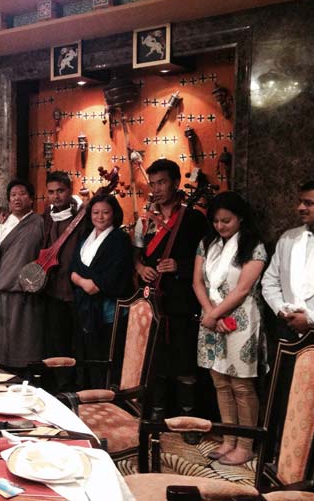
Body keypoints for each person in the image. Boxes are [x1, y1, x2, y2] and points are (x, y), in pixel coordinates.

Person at [193, 192, 267, 465]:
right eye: (216, 221)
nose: (220, 226)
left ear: (241, 218)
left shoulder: (253, 245)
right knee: (220, 383)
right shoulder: (207, 243)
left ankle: (245, 445)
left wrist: (215, 313)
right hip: (211, 317)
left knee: (242, 385)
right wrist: (211, 314)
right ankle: (228, 439)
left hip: (241, 320)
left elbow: (243, 288)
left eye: (226, 221)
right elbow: (197, 282)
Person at [133, 159, 207, 432]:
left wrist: (180, 267)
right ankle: (156, 416)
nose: (156, 189)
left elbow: (207, 259)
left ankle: (187, 421)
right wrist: (141, 268)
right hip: (153, 299)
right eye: (152, 183)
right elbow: (137, 253)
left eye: (161, 182)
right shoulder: (146, 217)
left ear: (175, 182)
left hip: (181, 301)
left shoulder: (194, 218)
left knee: (184, 362)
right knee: (155, 361)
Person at [262, 180, 314, 344]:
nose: (300, 208)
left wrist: (312, 318)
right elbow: (270, 280)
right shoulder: (288, 238)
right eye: (299, 202)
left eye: (309, 203)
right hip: (288, 326)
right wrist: (281, 309)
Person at [70, 193, 133, 389]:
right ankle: (85, 394)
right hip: (84, 305)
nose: (100, 217)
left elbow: (116, 273)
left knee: (105, 357)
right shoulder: (85, 237)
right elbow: (72, 269)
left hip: (107, 309)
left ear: (114, 214)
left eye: (106, 212)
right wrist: (82, 281)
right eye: (96, 212)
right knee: (84, 355)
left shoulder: (120, 238)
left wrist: (92, 283)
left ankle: (105, 397)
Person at [41, 171, 86, 390]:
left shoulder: (82, 218)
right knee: (55, 341)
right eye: (51, 192)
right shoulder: (47, 217)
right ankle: (58, 387)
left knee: (75, 343)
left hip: (74, 290)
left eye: (60, 191)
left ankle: (74, 389)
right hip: (52, 290)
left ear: (70, 190)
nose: (56, 196)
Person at [0, 179, 45, 369]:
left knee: (25, 338)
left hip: (26, 289)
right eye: (13, 195)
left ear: (31, 199)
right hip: (2, 285)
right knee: (3, 340)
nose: (17, 198)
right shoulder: (3, 222)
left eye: (22, 194)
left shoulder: (39, 223)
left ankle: (26, 377)